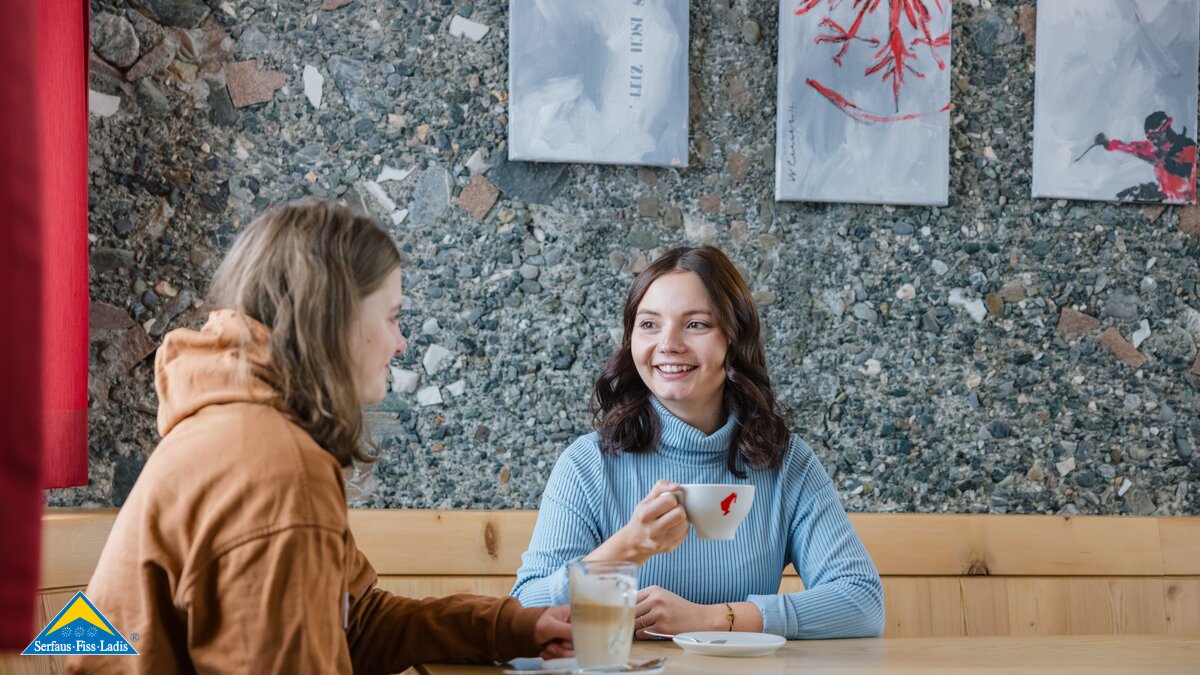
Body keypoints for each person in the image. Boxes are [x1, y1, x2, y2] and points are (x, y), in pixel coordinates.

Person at [67, 199, 572, 674]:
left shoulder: (251, 429)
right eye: (393, 317)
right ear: (337, 317)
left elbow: (358, 622)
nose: (400, 343)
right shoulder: (277, 467)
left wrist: (510, 627)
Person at [512, 245, 884, 640]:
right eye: (650, 324)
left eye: (696, 325)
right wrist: (627, 547)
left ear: (734, 339)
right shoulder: (587, 464)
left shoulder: (786, 462)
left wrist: (714, 619)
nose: (668, 344)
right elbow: (522, 612)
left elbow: (862, 602)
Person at [1094, 111, 1197, 203]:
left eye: (1155, 136)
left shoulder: (1187, 147)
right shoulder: (1156, 150)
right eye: (1149, 138)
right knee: (1136, 192)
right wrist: (1107, 143)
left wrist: (1165, 161)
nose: (1153, 141)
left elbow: (1188, 173)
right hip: (1168, 198)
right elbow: (1132, 147)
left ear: (1166, 129)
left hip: (1185, 201)